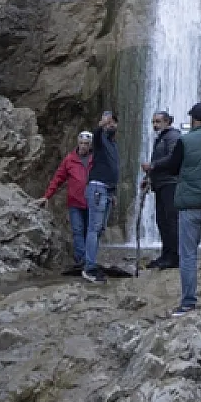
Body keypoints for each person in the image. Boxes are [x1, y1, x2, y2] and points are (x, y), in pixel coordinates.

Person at [150, 101, 201, 316]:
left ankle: (188, 303)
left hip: (191, 204)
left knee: (188, 255)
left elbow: (174, 166)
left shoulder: (185, 141)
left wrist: (154, 168)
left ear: (194, 120)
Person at [39, 131, 94, 273]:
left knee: (90, 232)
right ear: (77, 143)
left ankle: (89, 260)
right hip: (75, 202)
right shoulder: (70, 159)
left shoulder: (96, 159)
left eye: (86, 144)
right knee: (77, 230)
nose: (83, 146)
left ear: (90, 145)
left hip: (92, 202)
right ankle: (80, 260)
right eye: (81, 143)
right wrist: (47, 196)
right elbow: (58, 178)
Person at [140, 110, 182, 270]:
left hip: (171, 184)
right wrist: (148, 179)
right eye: (153, 122)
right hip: (161, 184)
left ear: (167, 122)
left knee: (171, 221)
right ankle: (166, 254)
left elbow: (173, 158)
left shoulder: (173, 137)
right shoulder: (162, 138)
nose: (155, 125)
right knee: (162, 221)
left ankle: (174, 256)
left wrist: (153, 166)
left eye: (158, 122)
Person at [82, 110, 118, 283]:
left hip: (108, 190)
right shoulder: (100, 140)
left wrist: (114, 192)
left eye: (113, 123)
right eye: (109, 123)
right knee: (94, 228)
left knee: (99, 229)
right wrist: (101, 124)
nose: (111, 125)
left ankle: (92, 262)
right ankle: (89, 267)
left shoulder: (113, 144)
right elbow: (95, 136)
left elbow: (113, 169)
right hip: (97, 188)